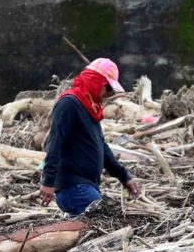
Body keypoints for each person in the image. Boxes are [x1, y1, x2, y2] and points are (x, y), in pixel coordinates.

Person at [39, 58, 140, 216]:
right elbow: (55, 142)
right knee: (107, 221)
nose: (108, 94)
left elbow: (102, 148)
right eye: (107, 88)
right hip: (73, 187)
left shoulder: (90, 107)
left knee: (97, 227)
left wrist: (124, 177)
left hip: (86, 186)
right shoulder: (69, 104)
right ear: (96, 82)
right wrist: (48, 181)